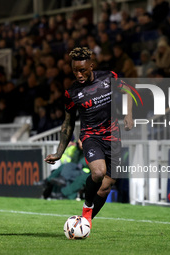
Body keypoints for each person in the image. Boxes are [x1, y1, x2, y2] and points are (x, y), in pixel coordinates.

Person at [45, 47, 133, 229]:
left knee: (107, 185)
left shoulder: (109, 77)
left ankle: (86, 222)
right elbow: (68, 123)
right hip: (91, 136)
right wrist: (59, 153)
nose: (79, 74)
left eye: (82, 70)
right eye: (75, 70)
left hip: (113, 136)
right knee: (98, 173)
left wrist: (129, 114)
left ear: (91, 66)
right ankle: (87, 207)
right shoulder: (72, 93)